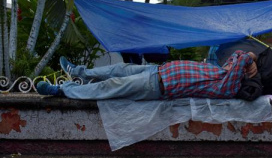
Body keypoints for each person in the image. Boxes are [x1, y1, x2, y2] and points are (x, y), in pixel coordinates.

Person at [36, 51, 258, 101]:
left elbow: (240, 59)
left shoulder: (228, 87)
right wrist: (249, 58)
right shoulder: (223, 70)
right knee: (117, 69)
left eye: (237, 69)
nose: (231, 66)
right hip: (155, 70)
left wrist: (249, 58)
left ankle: (63, 90)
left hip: (156, 85)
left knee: (112, 85)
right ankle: (77, 72)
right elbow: (235, 59)